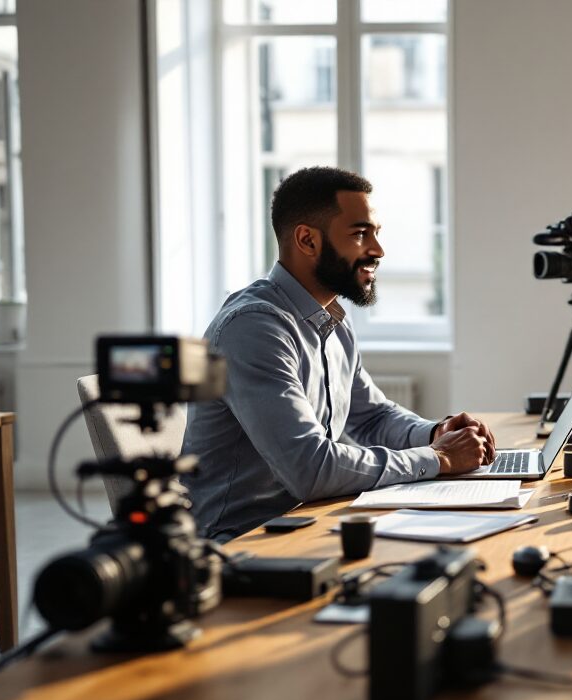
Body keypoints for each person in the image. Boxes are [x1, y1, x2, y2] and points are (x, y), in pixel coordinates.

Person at [182, 166, 496, 541]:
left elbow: (372, 418)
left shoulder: (330, 319)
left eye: (376, 234)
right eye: (360, 234)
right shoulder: (253, 328)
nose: (378, 251)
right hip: (239, 543)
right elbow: (310, 468)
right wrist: (438, 458)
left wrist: (433, 433)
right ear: (307, 240)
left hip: (306, 524)